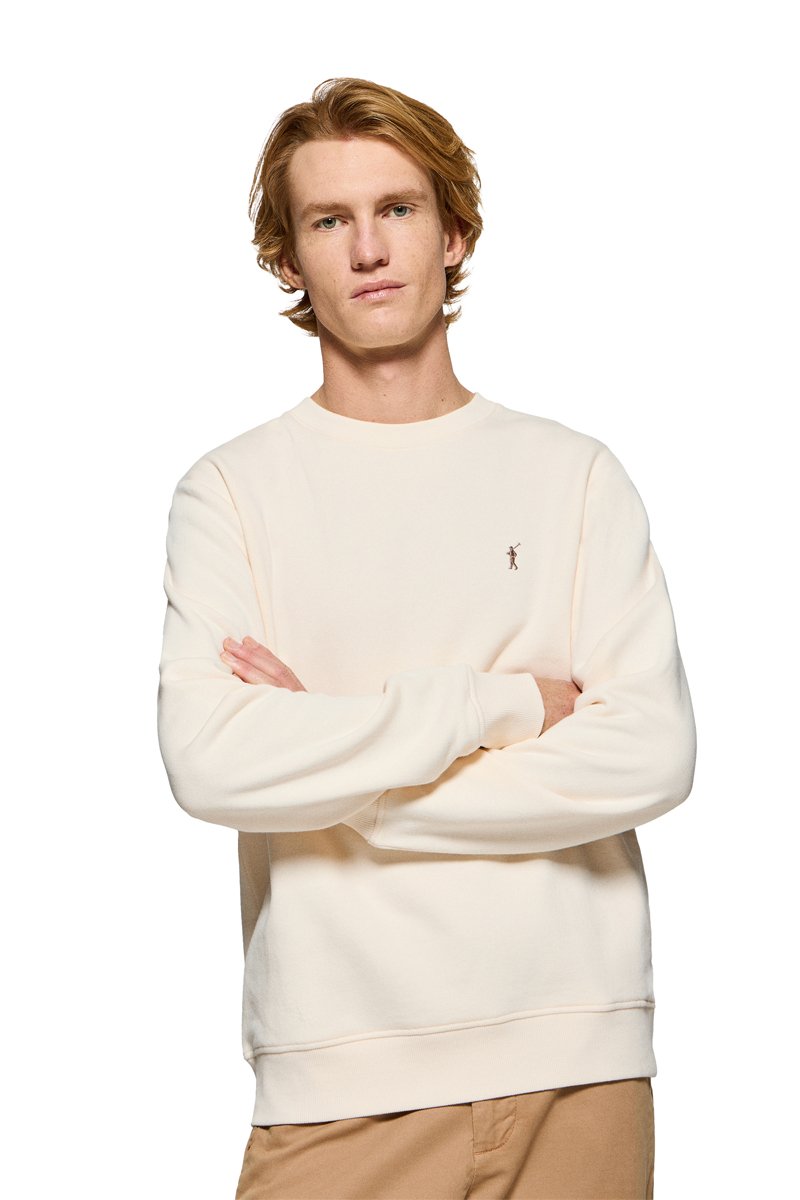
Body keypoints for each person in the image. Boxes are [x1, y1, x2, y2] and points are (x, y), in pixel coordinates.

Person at [157, 76, 696, 1200]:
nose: (367, 248)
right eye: (328, 220)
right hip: (338, 1076)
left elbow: (650, 753)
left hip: (579, 1061)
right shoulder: (232, 494)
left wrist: (340, 781)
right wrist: (500, 706)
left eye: (397, 209)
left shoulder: (574, 477)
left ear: (453, 234)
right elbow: (209, 762)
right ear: (287, 259)